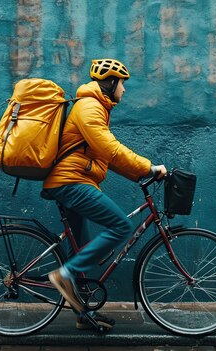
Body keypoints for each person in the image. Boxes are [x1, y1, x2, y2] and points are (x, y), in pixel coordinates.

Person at [43, 58, 167, 330]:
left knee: (82, 248)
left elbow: (106, 157)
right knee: (121, 225)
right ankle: (64, 275)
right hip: (71, 182)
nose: (125, 89)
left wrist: (139, 174)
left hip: (74, 180)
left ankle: (82, 313)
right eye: (123, 83)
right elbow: (111, 149)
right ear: (111, 82)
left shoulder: (97, 107)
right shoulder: (90, 107)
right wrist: (149, 167)